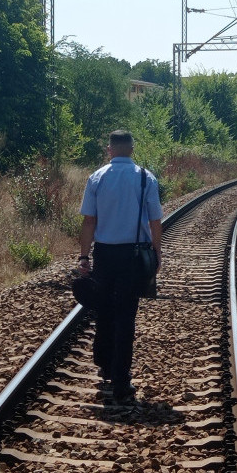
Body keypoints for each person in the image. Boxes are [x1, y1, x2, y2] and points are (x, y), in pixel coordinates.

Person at [77, 129, 163, 402]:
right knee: (126, 314)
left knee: (104, 309)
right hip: (133, 256)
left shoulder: (97, 177)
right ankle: (121, 380)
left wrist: (84, 256)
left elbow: (89, 221)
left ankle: (104, 365)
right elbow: (155, 221)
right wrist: (157, 254)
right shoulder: (144, 177)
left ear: (109, 149)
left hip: (104, 254)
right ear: (132, 149)